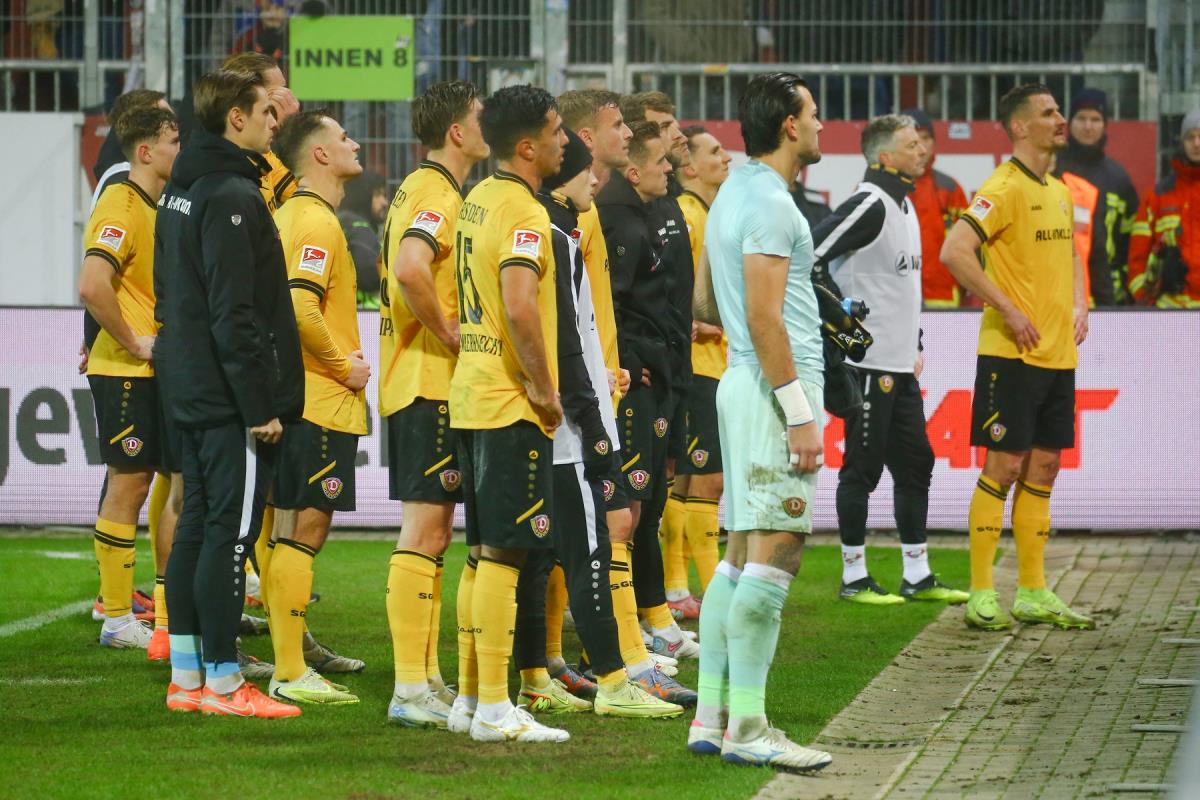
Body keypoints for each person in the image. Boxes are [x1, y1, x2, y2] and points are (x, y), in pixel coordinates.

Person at [687, 71, 832, 772]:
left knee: (740, 556)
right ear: (789, 125)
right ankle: (748, 727)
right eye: (814, 114)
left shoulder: (731, 194)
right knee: (777, 553)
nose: (822, 126)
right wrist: (800, 414)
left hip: (741, 383)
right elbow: (766, 317)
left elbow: (705, 304)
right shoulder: (772, 203)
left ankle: (711, 716)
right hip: (774, 393)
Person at [512, 127, 684, 720]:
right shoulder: (556, 236)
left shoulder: (524, 220)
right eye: (586, 170)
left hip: (538, 413)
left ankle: (532, 679)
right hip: (567, 421)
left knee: (529, 555)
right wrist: (592, 419)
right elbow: (566, 340)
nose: (594, 180)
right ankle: (614, 678)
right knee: (591, 545)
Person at [154, 68, 304, 718]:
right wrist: (257, 404)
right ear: (235, 118)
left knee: (196, 525)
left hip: (188, 381)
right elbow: (234, 311)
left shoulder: (183, 187)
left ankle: (187, 678)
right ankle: (223, 683)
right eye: (266, 110)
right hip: (226, 394)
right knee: (229, 536)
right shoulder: (231, 193)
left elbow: (173, 291)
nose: (276, 121)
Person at [940, 84, 1094, 632]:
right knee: (1003, 467)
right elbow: (954, 251)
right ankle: (982, 592)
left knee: (1045, 467)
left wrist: (1080, 301)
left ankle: (1032, 591)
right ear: (1021, 126)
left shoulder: (1059, 189)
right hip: (1011, 355)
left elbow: (1070, 252)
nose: (1061, 119)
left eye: (1059, 111)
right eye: (1049, 113)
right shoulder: (1001, 187)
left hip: (1057, 354)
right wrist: (1006, 307)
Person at [557, 89, 691, 702]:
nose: (630, 133)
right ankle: (602, 661)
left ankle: (614, 654)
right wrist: (621, 367)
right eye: (619, 125)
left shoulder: (589, 210)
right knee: (602, 521)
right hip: (586, 392)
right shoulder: (579, 214)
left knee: (619, 517)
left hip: (608, 383)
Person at [447, 84, 569, 743]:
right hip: (506, 398)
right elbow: (520, 305)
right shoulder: (524, 209)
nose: (563, 141)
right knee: (506, 553)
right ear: (527, 146)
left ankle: (471, 699)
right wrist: (544, 389)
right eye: (555, 131)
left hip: (471, 388)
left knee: (481, 553)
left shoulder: (478, 198)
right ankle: (496, 707)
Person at [810, 114, 967, 606]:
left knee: (917, 463)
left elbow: (901, 290)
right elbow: (810, 256)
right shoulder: (870, 203)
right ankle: (854, 576)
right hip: (868, 366)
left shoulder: (905, 205)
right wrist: (844, 325)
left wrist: (914, 343)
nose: (922, 150)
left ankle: (916, 574)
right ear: (884, 156)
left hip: (899, 366)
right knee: (861, 469)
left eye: (921, 142)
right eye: (911, 144)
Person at [378, 80, 489, 729]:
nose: (487, 127)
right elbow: (411, 268)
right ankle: (409, 689)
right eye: (479, 116)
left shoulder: (424, 188)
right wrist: (450, 331)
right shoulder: (437, 193)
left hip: (424, 383)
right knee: (425, 530)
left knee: (436, 532)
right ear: (456, 131)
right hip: (427, 382)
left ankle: (426, 678)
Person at [264, 109, 370, 706]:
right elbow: (301, 308)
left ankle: (292, 652)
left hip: (296, 396)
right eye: (343, 138)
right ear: (321, 155)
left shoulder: (290, 214)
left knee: (288, 529)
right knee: (305, 531)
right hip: (319, 399)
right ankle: (288, 669)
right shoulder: (315, 222)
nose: (354, 144)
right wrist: (342, 365)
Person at [79, 106, 180, 651]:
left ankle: (160, 613)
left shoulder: (155, 205)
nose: (180, 151)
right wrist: (132, 339)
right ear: (145, 151)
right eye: (172, 141)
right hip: (125, 369)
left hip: (150, 369)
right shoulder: (120, 202)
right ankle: (117, 618)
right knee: (129, 483)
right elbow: (93, 283)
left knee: (157, 479)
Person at [605, 96, 699, 663]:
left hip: (668, 370)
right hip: (637, 378)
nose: (672, 157)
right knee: (630, 506)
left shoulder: (659, 207)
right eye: (661, 149)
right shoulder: (616, 217)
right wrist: (630, 354)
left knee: (649, 500)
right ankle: (626, 629)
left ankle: (653, 616)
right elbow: (609, 302)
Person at [669, 125, 731, 605]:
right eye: (715, 150)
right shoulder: (688, 217)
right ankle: (710, 593)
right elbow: (676, 296)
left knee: (687, 482)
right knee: (706, 480)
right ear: (688, 166)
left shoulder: (706, 214)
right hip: (697, 368)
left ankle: (677, 587)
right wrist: (698, 324)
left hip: (710, 365)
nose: (726, 156)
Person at [1052, 89, 1139, 306]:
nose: (1088, 126)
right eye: (1081, 118)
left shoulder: (1118, 178)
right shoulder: (1053, 168)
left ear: (1105, 125)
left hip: (1108, 292)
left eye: (1095, 119)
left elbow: (1129, 241)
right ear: (1069, 123)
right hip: (1061, 290)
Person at [1128, 110, 1200, 307]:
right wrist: (1146, 302)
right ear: (1182, 142)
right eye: (1190, 137)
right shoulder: (1157, 196)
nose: (1196, 143)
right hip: (1169, 313)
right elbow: (1137, 259)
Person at [902, 108, 970, 309]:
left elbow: (970, 245)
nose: (921, 146)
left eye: (926, 138)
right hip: (897, 296)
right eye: (914, 140)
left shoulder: (950, 189)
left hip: (942, 296)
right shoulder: (880, 189)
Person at [338, 169, 387, 307]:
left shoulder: (342, 222)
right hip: (366, 314)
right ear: (362, 196)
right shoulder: (359, 229)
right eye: (378, 195)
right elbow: (370, 275)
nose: (384, 202)